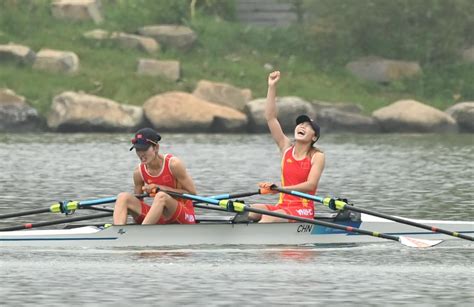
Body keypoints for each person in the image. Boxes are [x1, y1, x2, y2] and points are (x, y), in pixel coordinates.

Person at [250, 71, 325, 223]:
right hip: (283, 205)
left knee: (268, 218)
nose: (302, 126)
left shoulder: (317, 156)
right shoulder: (285, 148)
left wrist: (280, 188)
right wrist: (272, 87)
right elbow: (270, 118)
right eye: (300, 124)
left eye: (307, 126)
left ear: (314, 137)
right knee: (250, 211)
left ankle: (258, 241)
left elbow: (311, 185)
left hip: (303, 209)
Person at [113, 128, 197, 225]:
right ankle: (119, 232)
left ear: (156, 147)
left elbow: (192, 194)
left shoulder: (173, 164)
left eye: (144, 149)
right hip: (159, 218)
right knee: (123, 197)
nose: (141, 154)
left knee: (161, 196)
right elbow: (138, 203)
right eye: (138, 149)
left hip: (184, 215)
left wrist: (160, 188)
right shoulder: (138, 172)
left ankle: (142, 233)